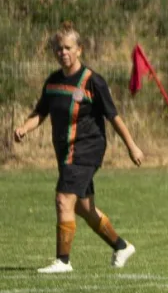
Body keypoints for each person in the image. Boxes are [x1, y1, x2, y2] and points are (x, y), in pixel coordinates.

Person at [14, 21, 143, 274]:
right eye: (59, 48)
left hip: (87, 149)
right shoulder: (52, 81)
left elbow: (113, 116)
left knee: (63, 199)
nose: (63, 52)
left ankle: (62, 261)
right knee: (84, 208)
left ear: (79, 50)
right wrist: (24, 128)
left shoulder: (92, 81)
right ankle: (121, 246)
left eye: (68, 48)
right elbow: (40, 112)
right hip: (66, 152)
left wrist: (132, 146)